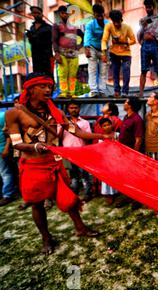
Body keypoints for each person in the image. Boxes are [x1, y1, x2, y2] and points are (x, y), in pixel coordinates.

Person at [5, 73, 112, 255]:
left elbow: (77, 131)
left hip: (54, 162)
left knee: (69, 198)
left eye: (50, 87)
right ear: (30, 89)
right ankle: (46, 238)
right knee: (37, 204)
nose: (48, 90)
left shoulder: (57, 113)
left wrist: (102, 136)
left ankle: (80, 228)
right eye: (43, 86)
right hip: (33, 166)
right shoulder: (14, 113)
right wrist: (35, 146)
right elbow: (16, 143)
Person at [115, 97, 144, 209]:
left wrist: (134, 155)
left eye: (126, 102)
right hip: (123, 154)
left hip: (131, 154)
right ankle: (127, 197)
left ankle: (136, 200)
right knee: (125, 177)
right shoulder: (126, 117)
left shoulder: (137, 120)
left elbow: (138, 139)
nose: (124, 103)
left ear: (130, 105)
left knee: (135, 178)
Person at [62, 101, 94, 202]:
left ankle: (88, 194)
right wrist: (64, 126)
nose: (74, 110)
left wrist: (77, 129)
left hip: (81, 152)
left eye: (76, 107)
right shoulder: (63, 123)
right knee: (73, 175)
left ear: (79, 109)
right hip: (68, 152)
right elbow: (58, 137)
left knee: (85, 175)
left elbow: (89, 138)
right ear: (68, 109)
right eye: (71, 108)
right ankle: (73, 194)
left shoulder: (85, 123)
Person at [101, 10, 136, 97]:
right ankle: (116, 91)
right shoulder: (108, 26)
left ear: (121, 20)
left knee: (126, 71)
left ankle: (125, 92)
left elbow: (133, 40)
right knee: (115, 72)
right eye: (114, 22)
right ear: (112, 20)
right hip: (114, 52)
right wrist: (104, 53)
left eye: (118, 22)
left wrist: (124, 42)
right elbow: (104, 40)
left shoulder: (127, 27)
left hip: (126, 53)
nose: (116, 24)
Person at [53, 5, 84, 98]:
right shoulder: (56, 26)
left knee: (72, 75)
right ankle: (64, 92)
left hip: (74, 54)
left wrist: (80, 46)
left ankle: (72, 93)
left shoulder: (74, 27)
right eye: (63, 13)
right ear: (60, 14)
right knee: (63, 74)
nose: (65, 15)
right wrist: (57, 53)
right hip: (62, 54)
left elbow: (83, 36)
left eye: (66, 13)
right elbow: (54, 40)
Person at [138, 0, 158, 97]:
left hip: (156, 45)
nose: (148, 9)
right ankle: (141, 93)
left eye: (149, 7)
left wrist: (157, 39)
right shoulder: (142, 20)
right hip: (145, 46)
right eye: (146, 7)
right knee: (143, 70)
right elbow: (140, 34)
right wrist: (143, 26)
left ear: (153, 7)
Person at [84, 4, 109, 98]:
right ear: (94, 15)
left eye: (101, 15)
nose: (99, 17)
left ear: (103, 14)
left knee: (104, 70)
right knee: (92, 69)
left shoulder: (108, 24)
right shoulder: (90, 24)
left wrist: (105, 53)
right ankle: (94, 90)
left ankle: (102, 90)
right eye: (97, 15)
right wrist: (86, 48)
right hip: (93, 48)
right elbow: (87, 36)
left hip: (104, 49)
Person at [26, 6, 54, 76]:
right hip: (36, 58)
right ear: (32, 14)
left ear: (42, 14)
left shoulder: (49, 27)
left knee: (49, 76)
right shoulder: (32, 28)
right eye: (34, 13)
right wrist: (30, 37)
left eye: (38, 13)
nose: (36, 15)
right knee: (38, 77)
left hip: (47, 58)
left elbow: (54, 41)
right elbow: (31, 42)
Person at [98, 118, 119, 205]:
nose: (107, 127)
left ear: (112, 125)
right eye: (104, 126)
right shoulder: (101, 138)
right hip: (106, 161)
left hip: (117, 160)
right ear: (101, 127)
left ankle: (116, 193)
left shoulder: (117, 135)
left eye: (108, 125)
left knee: (116, 177)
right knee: (107, 178)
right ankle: (109, 195)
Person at [0, 111, 17, 206]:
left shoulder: (3, 115)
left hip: (3, 148)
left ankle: (7, 195)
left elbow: (9, 132)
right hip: (3, 148)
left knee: (5, 172)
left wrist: (6, 148)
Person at [145, 92, 158, 161]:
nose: (148, 98)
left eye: (150, 97)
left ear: (156, 101)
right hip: (147, 149)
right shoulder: (148, 114)